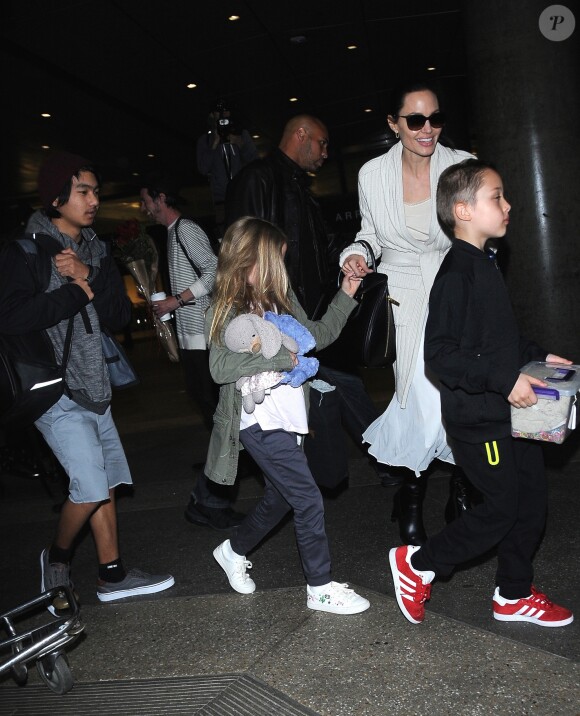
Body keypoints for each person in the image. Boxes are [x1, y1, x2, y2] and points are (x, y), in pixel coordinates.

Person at [389, 158, 573, 627]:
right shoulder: (456, 275)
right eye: (497, 197)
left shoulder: (487, 263)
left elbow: (497, 341)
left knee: (531, 505)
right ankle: (418, 563)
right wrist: (502, 379)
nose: (508, 205)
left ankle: (512, 595)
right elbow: (443, 356)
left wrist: (539, 356)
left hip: (515, 414)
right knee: (498, 510)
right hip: (480, 421)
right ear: (463, 210)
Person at [0, 151, 174, 612]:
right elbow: (13, 317)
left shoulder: (95, 247)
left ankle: (112, 573)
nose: (94, 199)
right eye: (83, 191)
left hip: (94, 383)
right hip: (54, 388)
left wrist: (88, 275)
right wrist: (75, 293)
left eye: (96, 190)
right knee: (92, 486)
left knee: (108, 480)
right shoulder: (27, 251)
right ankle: (56, 558)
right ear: (57, 197)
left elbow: (117, 314)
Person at [206, 216, 370, 615]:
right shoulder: (229, 307)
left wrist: (347, 292)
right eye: (276, 258)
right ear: (252, 260)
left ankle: (233, 550)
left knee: (281, 498)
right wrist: (281, 354)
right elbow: (219, 367)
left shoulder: (280, 298)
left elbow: (317, 336)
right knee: (308, 499)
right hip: (258, 421)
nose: (284, 266)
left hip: (288, 417)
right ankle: (320, 586)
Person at [341, 82, 474, 545]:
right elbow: (370, 234)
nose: (427, 130)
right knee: (419, 398)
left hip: (452, 292)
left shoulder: (459, 166)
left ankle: (458, 489)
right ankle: (413, 495)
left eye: (435, 119)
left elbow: (477, 237)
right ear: (394, 124)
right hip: (402, 297)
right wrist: (355, 254)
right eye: (415, 120)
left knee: (456, 397)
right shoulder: (371, 174)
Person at [225, 114, 385, 489]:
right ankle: (384, 462)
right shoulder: (258, 179)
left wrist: (353, 256)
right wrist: (263, 314)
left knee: (345, 390)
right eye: (323, 143)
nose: (326, 153)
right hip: (282, 319)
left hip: (308, 319)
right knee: (335, 394)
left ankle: (385, 461)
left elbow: (320, 249)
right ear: (301, 135)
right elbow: (242, 250)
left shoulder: (298, 186)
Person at [139, 173, 245, 531]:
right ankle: (221, 469)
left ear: (162, 196)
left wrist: (178, 298)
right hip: (190, 335)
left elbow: (216, 270)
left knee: (217, 410)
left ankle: (221, 480)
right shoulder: (170, 234)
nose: (144, 208)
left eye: (146, 200)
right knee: (208, 406)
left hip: (204, 335)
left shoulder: (186, 229)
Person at [196, 99, 258, 240]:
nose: (222, 115)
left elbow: (255, 160)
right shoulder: (205, 140)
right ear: (212, 115)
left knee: (247, 235)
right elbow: (203, 168)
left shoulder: (241, 134)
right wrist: (214, 143)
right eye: (218, 112)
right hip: (220, 200)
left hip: (242, 196)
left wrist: (239, 143)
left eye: (225, 111)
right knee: (226, 238)